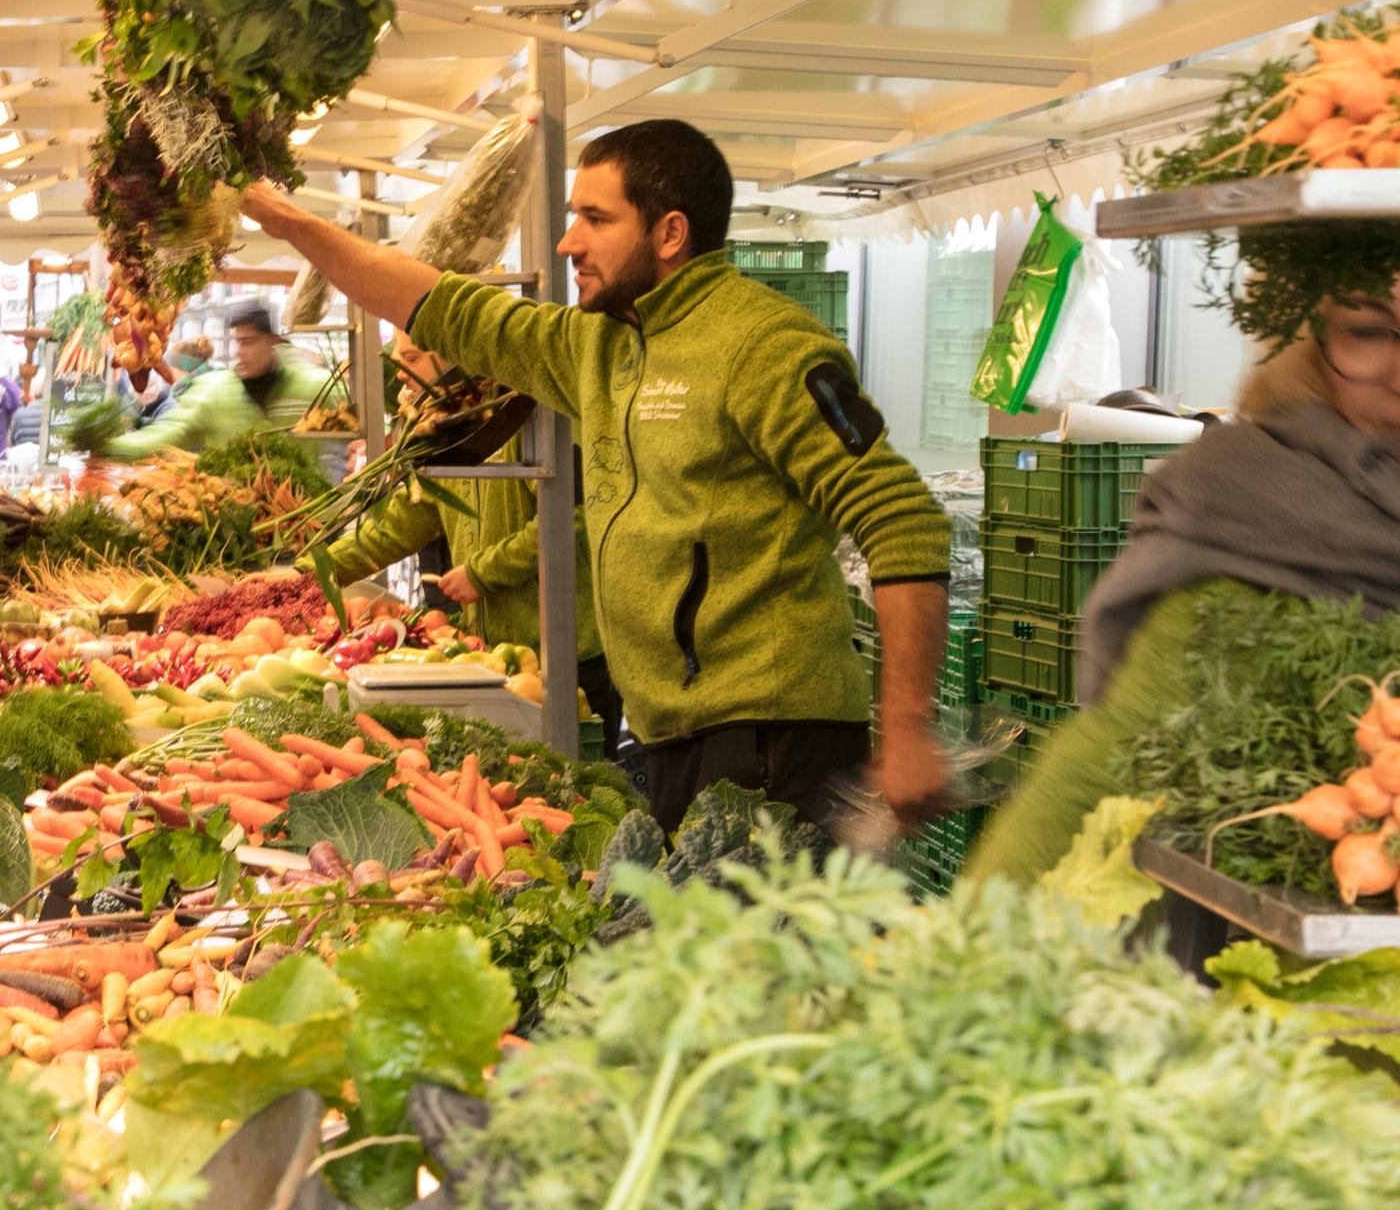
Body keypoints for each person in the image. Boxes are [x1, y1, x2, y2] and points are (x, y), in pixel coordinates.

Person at [242, 119, 951, 833]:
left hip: (772, 732)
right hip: (672, 733)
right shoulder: (598, 347)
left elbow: (901, 520)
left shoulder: (763, 344)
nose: (567, 240)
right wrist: (285, 218)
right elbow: (436, 303)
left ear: (670, 233)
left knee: (763, 946)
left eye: (595, 218)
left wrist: (910, 730)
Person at [965, 299, 1400, 953]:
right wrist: (958, 962)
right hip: (1318, 982)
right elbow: (1110, 768)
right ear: (1313, 348)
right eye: (1369, 332)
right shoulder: (1268, 511)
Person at [313, 330, 625, 735]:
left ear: (459, 356)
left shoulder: (538, 414)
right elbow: (395, 528)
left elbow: (579, 517)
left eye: (412, 358)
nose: (401, 375)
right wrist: (310, 574)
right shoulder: (443, 434)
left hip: (570, 660)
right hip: (492, 662)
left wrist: (483, 572)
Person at [99, 297, 340, 460]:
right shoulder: (216, 391)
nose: (238, 352)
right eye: (237, 342)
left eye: (248, 342)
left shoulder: (314, 387)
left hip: (304, 523)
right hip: (232, 526)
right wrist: (109, 448)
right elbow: (169, 434)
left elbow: (362, 426)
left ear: (272, 341)